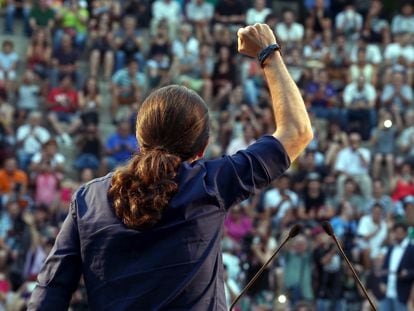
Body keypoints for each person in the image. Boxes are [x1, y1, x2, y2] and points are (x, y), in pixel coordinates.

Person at [28, 24, 313, 309]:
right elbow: (297, 132)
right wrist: (268, 53)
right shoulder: (210, 184)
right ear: (201, 149)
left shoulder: (88, 200)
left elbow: (48, 295)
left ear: (139, 140)